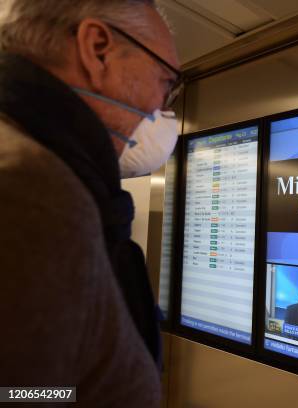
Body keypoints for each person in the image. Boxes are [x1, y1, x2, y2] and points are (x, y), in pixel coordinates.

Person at [0, 0, 180, 405]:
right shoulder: (34, 193)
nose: (160, 106)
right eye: (165, 80)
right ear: (98, 49)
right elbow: (19, 394)